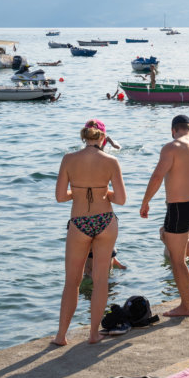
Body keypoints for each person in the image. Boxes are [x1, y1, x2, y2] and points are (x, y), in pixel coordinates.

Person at [52, 119, 127, 346]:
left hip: (79, 223)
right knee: (101, 280)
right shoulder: (112, 161)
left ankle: (61, 336)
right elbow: (122, 199)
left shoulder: (68, 159)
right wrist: (105, 193)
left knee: (72, 282)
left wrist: (78, 192)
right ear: (103, 138)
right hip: (105, 221)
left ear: (84, 137)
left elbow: (60, 197)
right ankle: (94, 334)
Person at [141, 115, 189, 317]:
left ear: (173, 130)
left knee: (177, 260)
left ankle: (186, 306)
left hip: (178, 208)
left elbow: (157, 176)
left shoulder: (171, 147)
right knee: (168, 235)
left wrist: (145, 201)